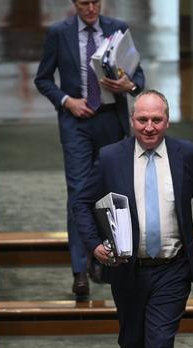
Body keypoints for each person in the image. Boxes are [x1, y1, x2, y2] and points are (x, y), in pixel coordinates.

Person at [73, 90, 193, 348]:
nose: (149, 127)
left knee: (159, 346)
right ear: (132, 121)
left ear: (167, 121)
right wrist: (94, 245)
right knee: (132, 347)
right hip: (128, 270)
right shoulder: (110, 157)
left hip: (172, 268)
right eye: (142, 119)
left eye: (156, 119)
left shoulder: (187, 155)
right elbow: (81, 203)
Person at [34, 0, 145, 298]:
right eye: (85, 3)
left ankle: (109, 259)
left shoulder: (118, 29)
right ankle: (79, 269)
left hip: (112, 120)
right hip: (76, 123)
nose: (91, 8)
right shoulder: (59, 33)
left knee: (113, 190)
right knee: (79, 191)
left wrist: (128, 85)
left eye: (96, 2)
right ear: (74, 4)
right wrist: (66, 101)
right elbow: (42, 78)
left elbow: (139, 80)